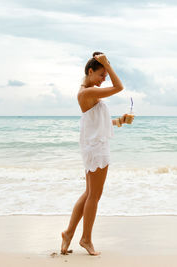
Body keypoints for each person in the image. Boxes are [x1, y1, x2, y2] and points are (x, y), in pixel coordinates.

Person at [60, 52, 133, 256]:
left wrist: (120, 121)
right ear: (90, 71)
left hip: (94, 146)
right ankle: (86, 239)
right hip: (96, 149)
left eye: (105, 75)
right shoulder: (86, 93)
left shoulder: (87, 92)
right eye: (102, 75)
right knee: (94, 196)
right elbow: (119, 87)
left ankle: (68, 234)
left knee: (89, 194)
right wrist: (108, 64)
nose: (104, 79)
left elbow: (96, 123)